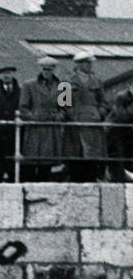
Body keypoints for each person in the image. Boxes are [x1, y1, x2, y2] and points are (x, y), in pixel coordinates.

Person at [19, 56, 69, 181]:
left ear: (54, 70)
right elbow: (23, 107)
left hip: (52, 128)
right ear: (40, 69)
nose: (47, 72)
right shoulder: (28, 85)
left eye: (50, 69)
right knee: (32, 160)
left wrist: (60, 116)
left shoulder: (63, 86)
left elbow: (66, 108)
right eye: (44, 69)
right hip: (35, 128)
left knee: (48, 163)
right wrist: (33, 117)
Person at [69, 52, 107, 182]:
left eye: (91, 62)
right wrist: (72, 115)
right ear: (79, 64)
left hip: (93, 123)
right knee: (76, 153)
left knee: (93, 154)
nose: (90, 65)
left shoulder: (97, 81)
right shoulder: (67, 81)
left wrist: (99, 112)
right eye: (87, 62)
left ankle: (92, 177)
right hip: (76, 124)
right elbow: (62, 103)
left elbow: (104, 102)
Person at [107, 86, 133, 181]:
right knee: (116, 151)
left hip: (127, 136)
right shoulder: (121, 97)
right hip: (117, 132)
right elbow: (119, 115)